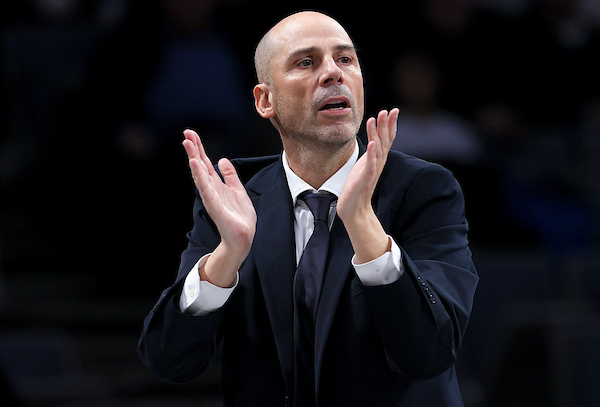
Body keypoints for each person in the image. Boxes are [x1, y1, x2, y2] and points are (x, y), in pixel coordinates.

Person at [138, 10, 478, 407]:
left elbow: (429, 353)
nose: (334, 73)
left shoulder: (424, 190)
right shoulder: (235, 197)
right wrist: (227, 255)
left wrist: (362, 223)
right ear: (265, 100)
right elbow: (169, 361)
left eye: (345, 58)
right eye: (306, 62)